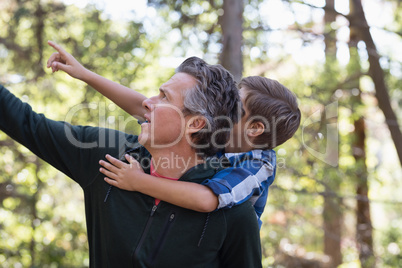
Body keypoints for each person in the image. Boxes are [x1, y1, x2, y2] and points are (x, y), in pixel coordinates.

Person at [0, 44, 262, 267]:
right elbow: (27, 123)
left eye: (164, 97)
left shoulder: (232, 212)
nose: (148, 101)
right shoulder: (108, 158)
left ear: (195, 124)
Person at [47, 41, 301, 228]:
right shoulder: (218, 135)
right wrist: (84, 74)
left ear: (255, 128)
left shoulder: (258, 165)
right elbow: (143, 106)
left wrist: (138, 182)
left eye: (236, 104)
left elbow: (207, 199)